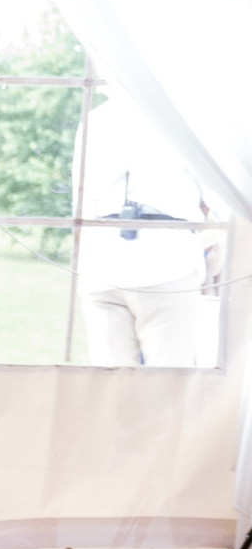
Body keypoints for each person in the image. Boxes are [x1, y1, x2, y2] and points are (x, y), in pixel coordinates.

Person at [77, 91, 219, 366]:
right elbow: (217, 193)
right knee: (167, 381)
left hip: (102, 264)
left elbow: (80, 199)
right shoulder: (186, 116)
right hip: (167, 263)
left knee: (109, 383)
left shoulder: (97, 118)